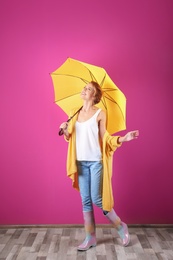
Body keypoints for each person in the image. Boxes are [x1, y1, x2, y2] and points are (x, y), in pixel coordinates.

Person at [59, 81, 139, 251]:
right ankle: (90, 238)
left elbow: (106, 137)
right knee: (85, 201)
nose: (84, 90)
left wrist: (123, 138)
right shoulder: (74, 113)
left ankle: (120, 226)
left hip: (95, 162)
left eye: (88, 89)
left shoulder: (100, 114)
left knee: (97, 199)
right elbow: (70, 136)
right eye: (84, 87)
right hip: (79, 162)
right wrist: (64, 129)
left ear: (94, 96)